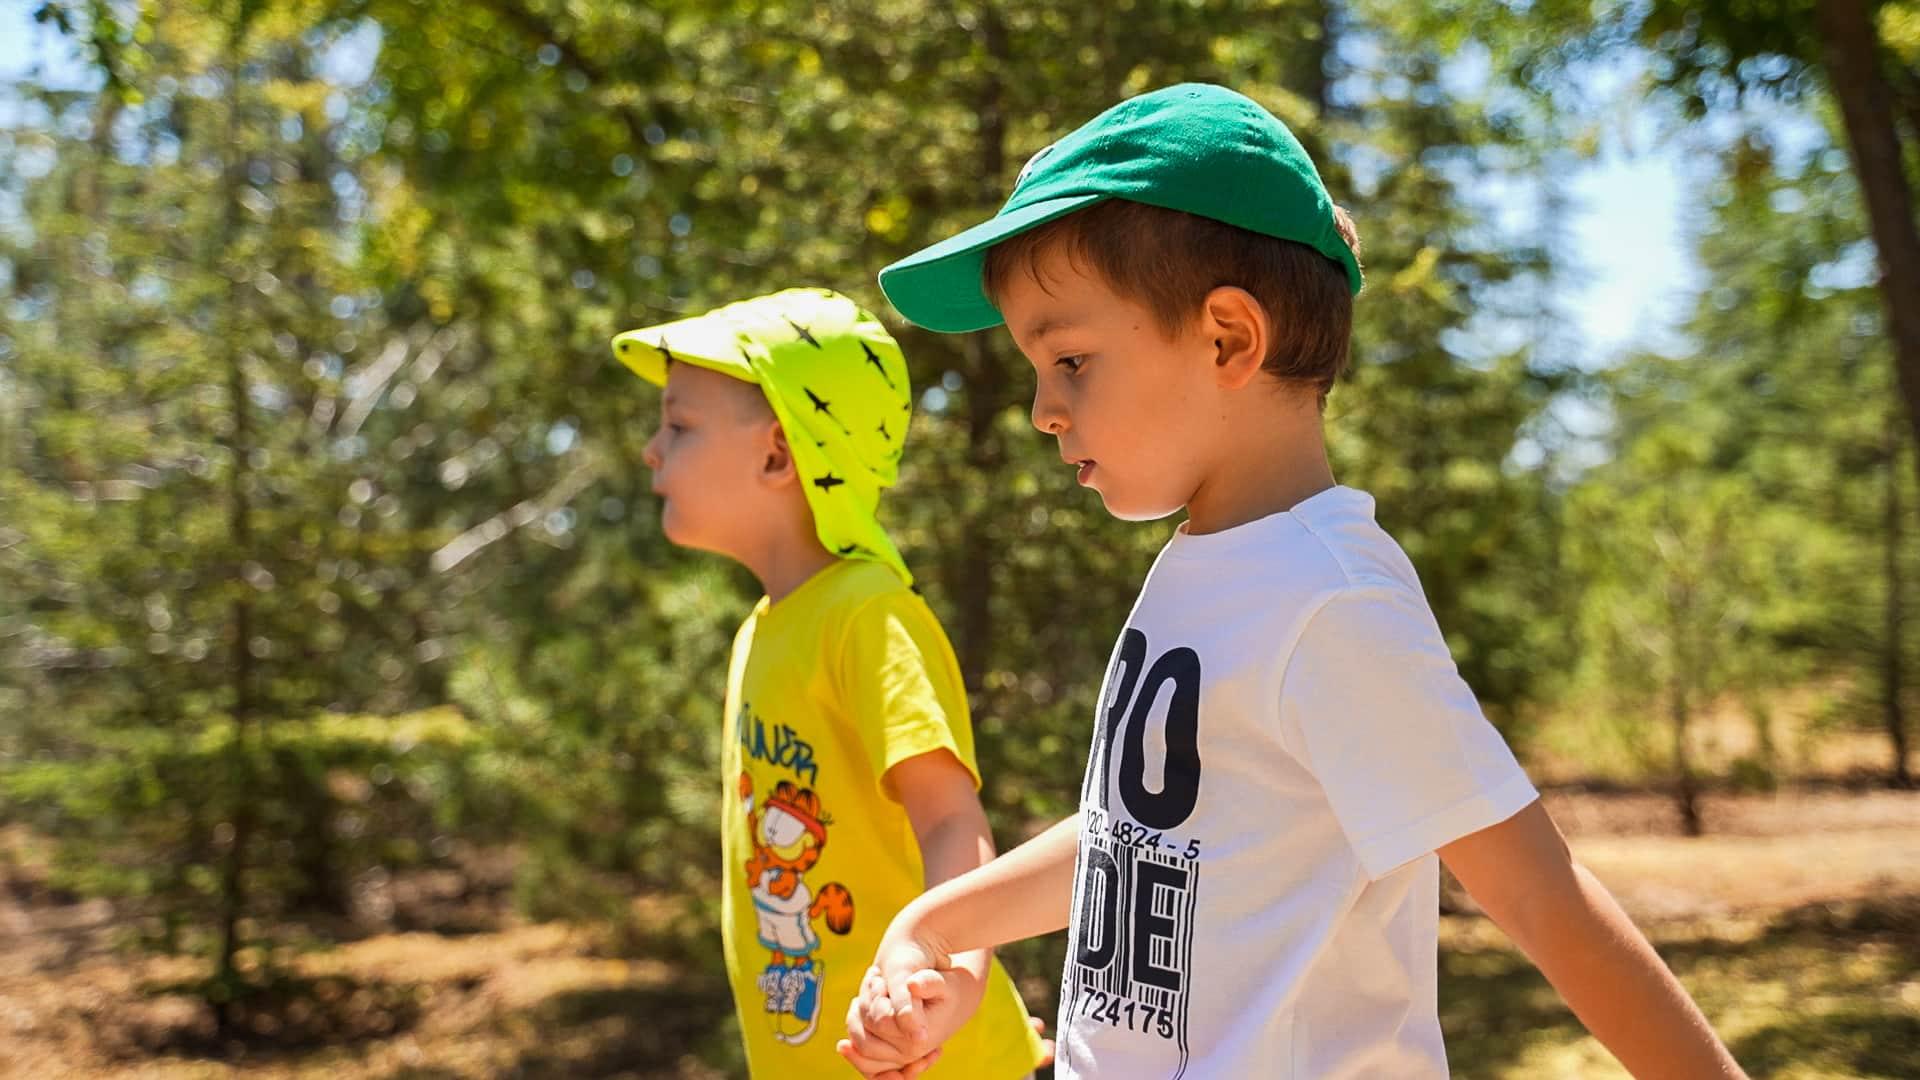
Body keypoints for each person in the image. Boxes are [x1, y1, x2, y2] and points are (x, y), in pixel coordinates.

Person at [837, 84, 1746, 1080]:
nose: (1043, 410)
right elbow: (1145, 835)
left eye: (1071, 361)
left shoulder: (1333, 601)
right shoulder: (1208, 565)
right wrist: (937, 924)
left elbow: (1540, 896)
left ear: (1228, 338)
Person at [610, 288, 1048, 1077]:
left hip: (929, 1060)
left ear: (777, 455)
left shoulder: (868, 617)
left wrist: (956, 985)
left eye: (678, 425)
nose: (651, 449)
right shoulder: (762, 629)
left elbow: (952, 820)